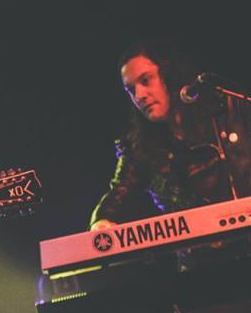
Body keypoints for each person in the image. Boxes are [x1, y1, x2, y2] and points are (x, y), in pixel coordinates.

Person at [91, 38, 251, 230]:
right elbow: (118, 195)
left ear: (168, 75)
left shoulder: (225, 108)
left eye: (145, 80)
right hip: (201, 248)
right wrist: (101, 221)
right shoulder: (138, 147)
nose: (139, 95)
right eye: (131, 90)